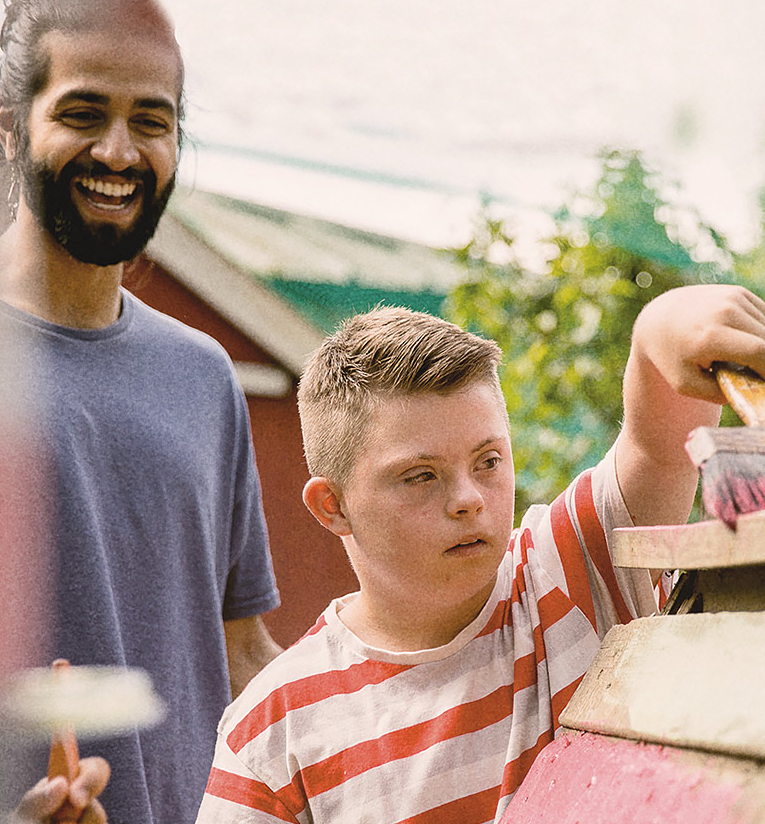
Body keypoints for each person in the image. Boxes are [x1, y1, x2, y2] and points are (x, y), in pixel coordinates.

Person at [195, 285, 765, 823]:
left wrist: (663, 325)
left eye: (489, 461)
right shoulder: (269, 734)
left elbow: (658, 441)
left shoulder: (567, 570)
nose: (469, 499)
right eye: (421, 477)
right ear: (332, 506)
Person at [0, 0, 281, 824]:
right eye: (83, 115)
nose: (118, 152)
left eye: (150, 123)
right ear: (11, 131)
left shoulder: (203, 374)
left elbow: (239, 651)